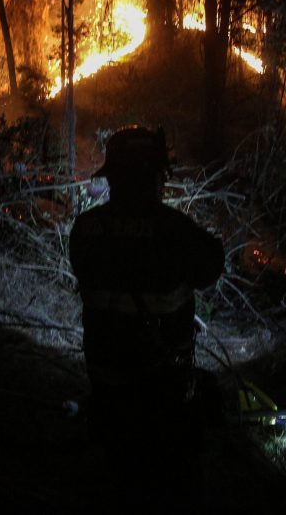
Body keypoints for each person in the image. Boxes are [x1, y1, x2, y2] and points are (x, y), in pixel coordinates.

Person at [69, 126, 225, 494]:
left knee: (115, 473)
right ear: (156, 177)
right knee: (165, 478)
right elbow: (209, 268)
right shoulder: (175, 231)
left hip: (105, 379)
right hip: (160, 388)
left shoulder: (86, 228)